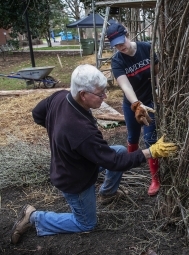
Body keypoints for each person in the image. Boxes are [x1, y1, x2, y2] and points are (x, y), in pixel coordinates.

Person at [10, 64, 177, 244]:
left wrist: (58, 133)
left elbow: (37, 114)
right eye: (100, 93)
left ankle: (107, 193)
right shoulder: (81, 131)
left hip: (78, 162)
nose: (105, 97)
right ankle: (34, 216)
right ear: (83, 94)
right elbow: (114, 162)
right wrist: (150, 151)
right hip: (74, 179)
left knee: (119, 150)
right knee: (86, 223)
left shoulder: (61, 96)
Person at [106, 21, 161, 196]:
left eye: (122, 41)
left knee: (151, 139)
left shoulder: (147, 48)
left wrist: (158, 90)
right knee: (132, 136)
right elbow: (125, 86)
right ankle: (130, 164)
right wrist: (137, 104)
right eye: (116, 45)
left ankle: (155, 178)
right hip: (132, 104)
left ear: (128, 35)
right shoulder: (117, 60)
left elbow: (158, 72)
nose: (120, 47)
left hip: (151, 101)